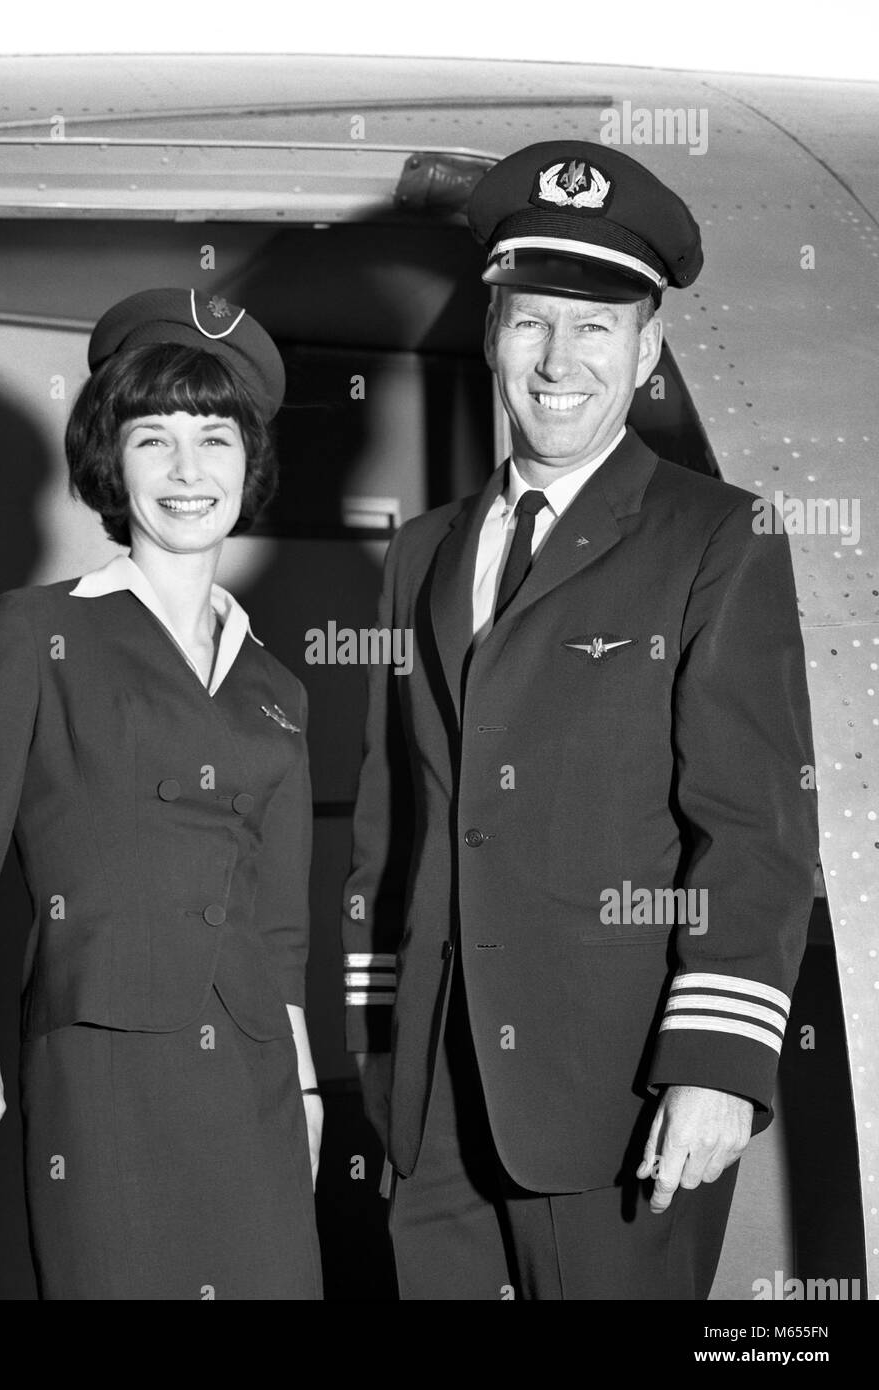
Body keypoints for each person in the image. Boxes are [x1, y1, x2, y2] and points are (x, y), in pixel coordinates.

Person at [342, 142, 818, 1300]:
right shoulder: (424, 553)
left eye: (594, 326)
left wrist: (712, 1064)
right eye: (530, 321)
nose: (556, 360)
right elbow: (388, 819)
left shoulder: (716, 537)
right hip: (435, 1105)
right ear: (492, 331)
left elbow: (751, 826)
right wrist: (377, 1048)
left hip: (619, 1100)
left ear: (646, 348)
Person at [0, 288, 323, 1300]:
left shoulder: (277, 687)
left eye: (215, 439)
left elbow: (279, 928)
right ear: (113, 460)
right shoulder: (34, 633)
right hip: (103, 1075)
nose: (188, 471)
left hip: (256, 1086)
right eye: (154, 439)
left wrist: (308, 1086)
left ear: (251, 463)